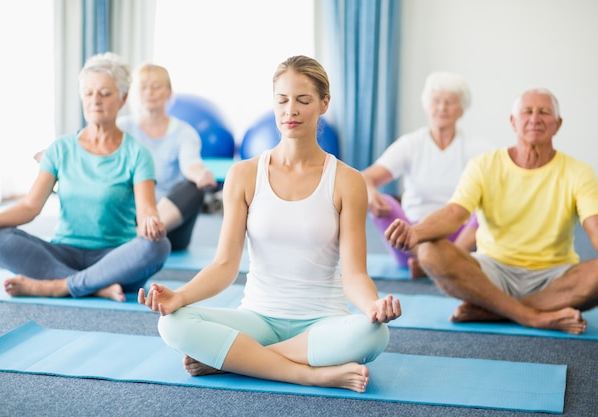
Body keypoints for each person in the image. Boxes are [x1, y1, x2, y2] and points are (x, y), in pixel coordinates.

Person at [139, 55, 402, 392]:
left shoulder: (346, 181)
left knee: (374, 333)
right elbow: (224, 265)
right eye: (282, 100)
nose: (290, 110)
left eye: (303, 100)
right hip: (258, 318)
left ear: (324, 103)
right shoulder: (244, 174)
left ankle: (236, 360)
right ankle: (311, 374)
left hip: (322, 322)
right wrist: (180, 297)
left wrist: (373, 307)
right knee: (172, 325)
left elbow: (355, 274)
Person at [385, 88, 598, 334]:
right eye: (527, 111)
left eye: (544, 112)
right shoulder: (484, 164)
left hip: (553, 278)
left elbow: (593, 226)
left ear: (557, 124)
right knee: (430, 250)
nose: (535, 118)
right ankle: (531, 316)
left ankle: (493, 310)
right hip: (491, 272)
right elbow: (455, 213)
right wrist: (415, 232)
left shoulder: (579, 172)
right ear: (513, 121)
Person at [0, 52, 171, 301]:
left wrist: (151, 224)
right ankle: (93, 287)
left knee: (158, 246)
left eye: (105, 94)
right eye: (88, 93)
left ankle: (56, 286)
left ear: (123, 99)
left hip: (114, 259)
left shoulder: (137, 154)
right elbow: (29, 207)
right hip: (63, 253)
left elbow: (146, 213)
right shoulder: (60, 148)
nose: (95, 101)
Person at [362, 72, 493, 278]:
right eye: (436, 101)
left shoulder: (478, 148)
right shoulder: (410, 144)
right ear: (427, 105)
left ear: (461, 109)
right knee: (384, 202)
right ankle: (436, 263)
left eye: (449, 102)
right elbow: (365, 178)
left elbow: (501, 184)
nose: (442, 107)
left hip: (459, 239)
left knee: (488, 206)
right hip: (411, 239)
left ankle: (436, 263)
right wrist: (371, 195)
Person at [117, 64, 218, 251]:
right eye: (144, 87)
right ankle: (137, 238)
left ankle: (137, 239)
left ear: (169, 92)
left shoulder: (184, 132)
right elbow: (89, 144)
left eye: (156, 86)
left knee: (193, 187)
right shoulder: (122, 128)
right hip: (131, 218)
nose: (150, 92)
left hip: (170, 231)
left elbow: (191, 165)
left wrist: (200, 176)